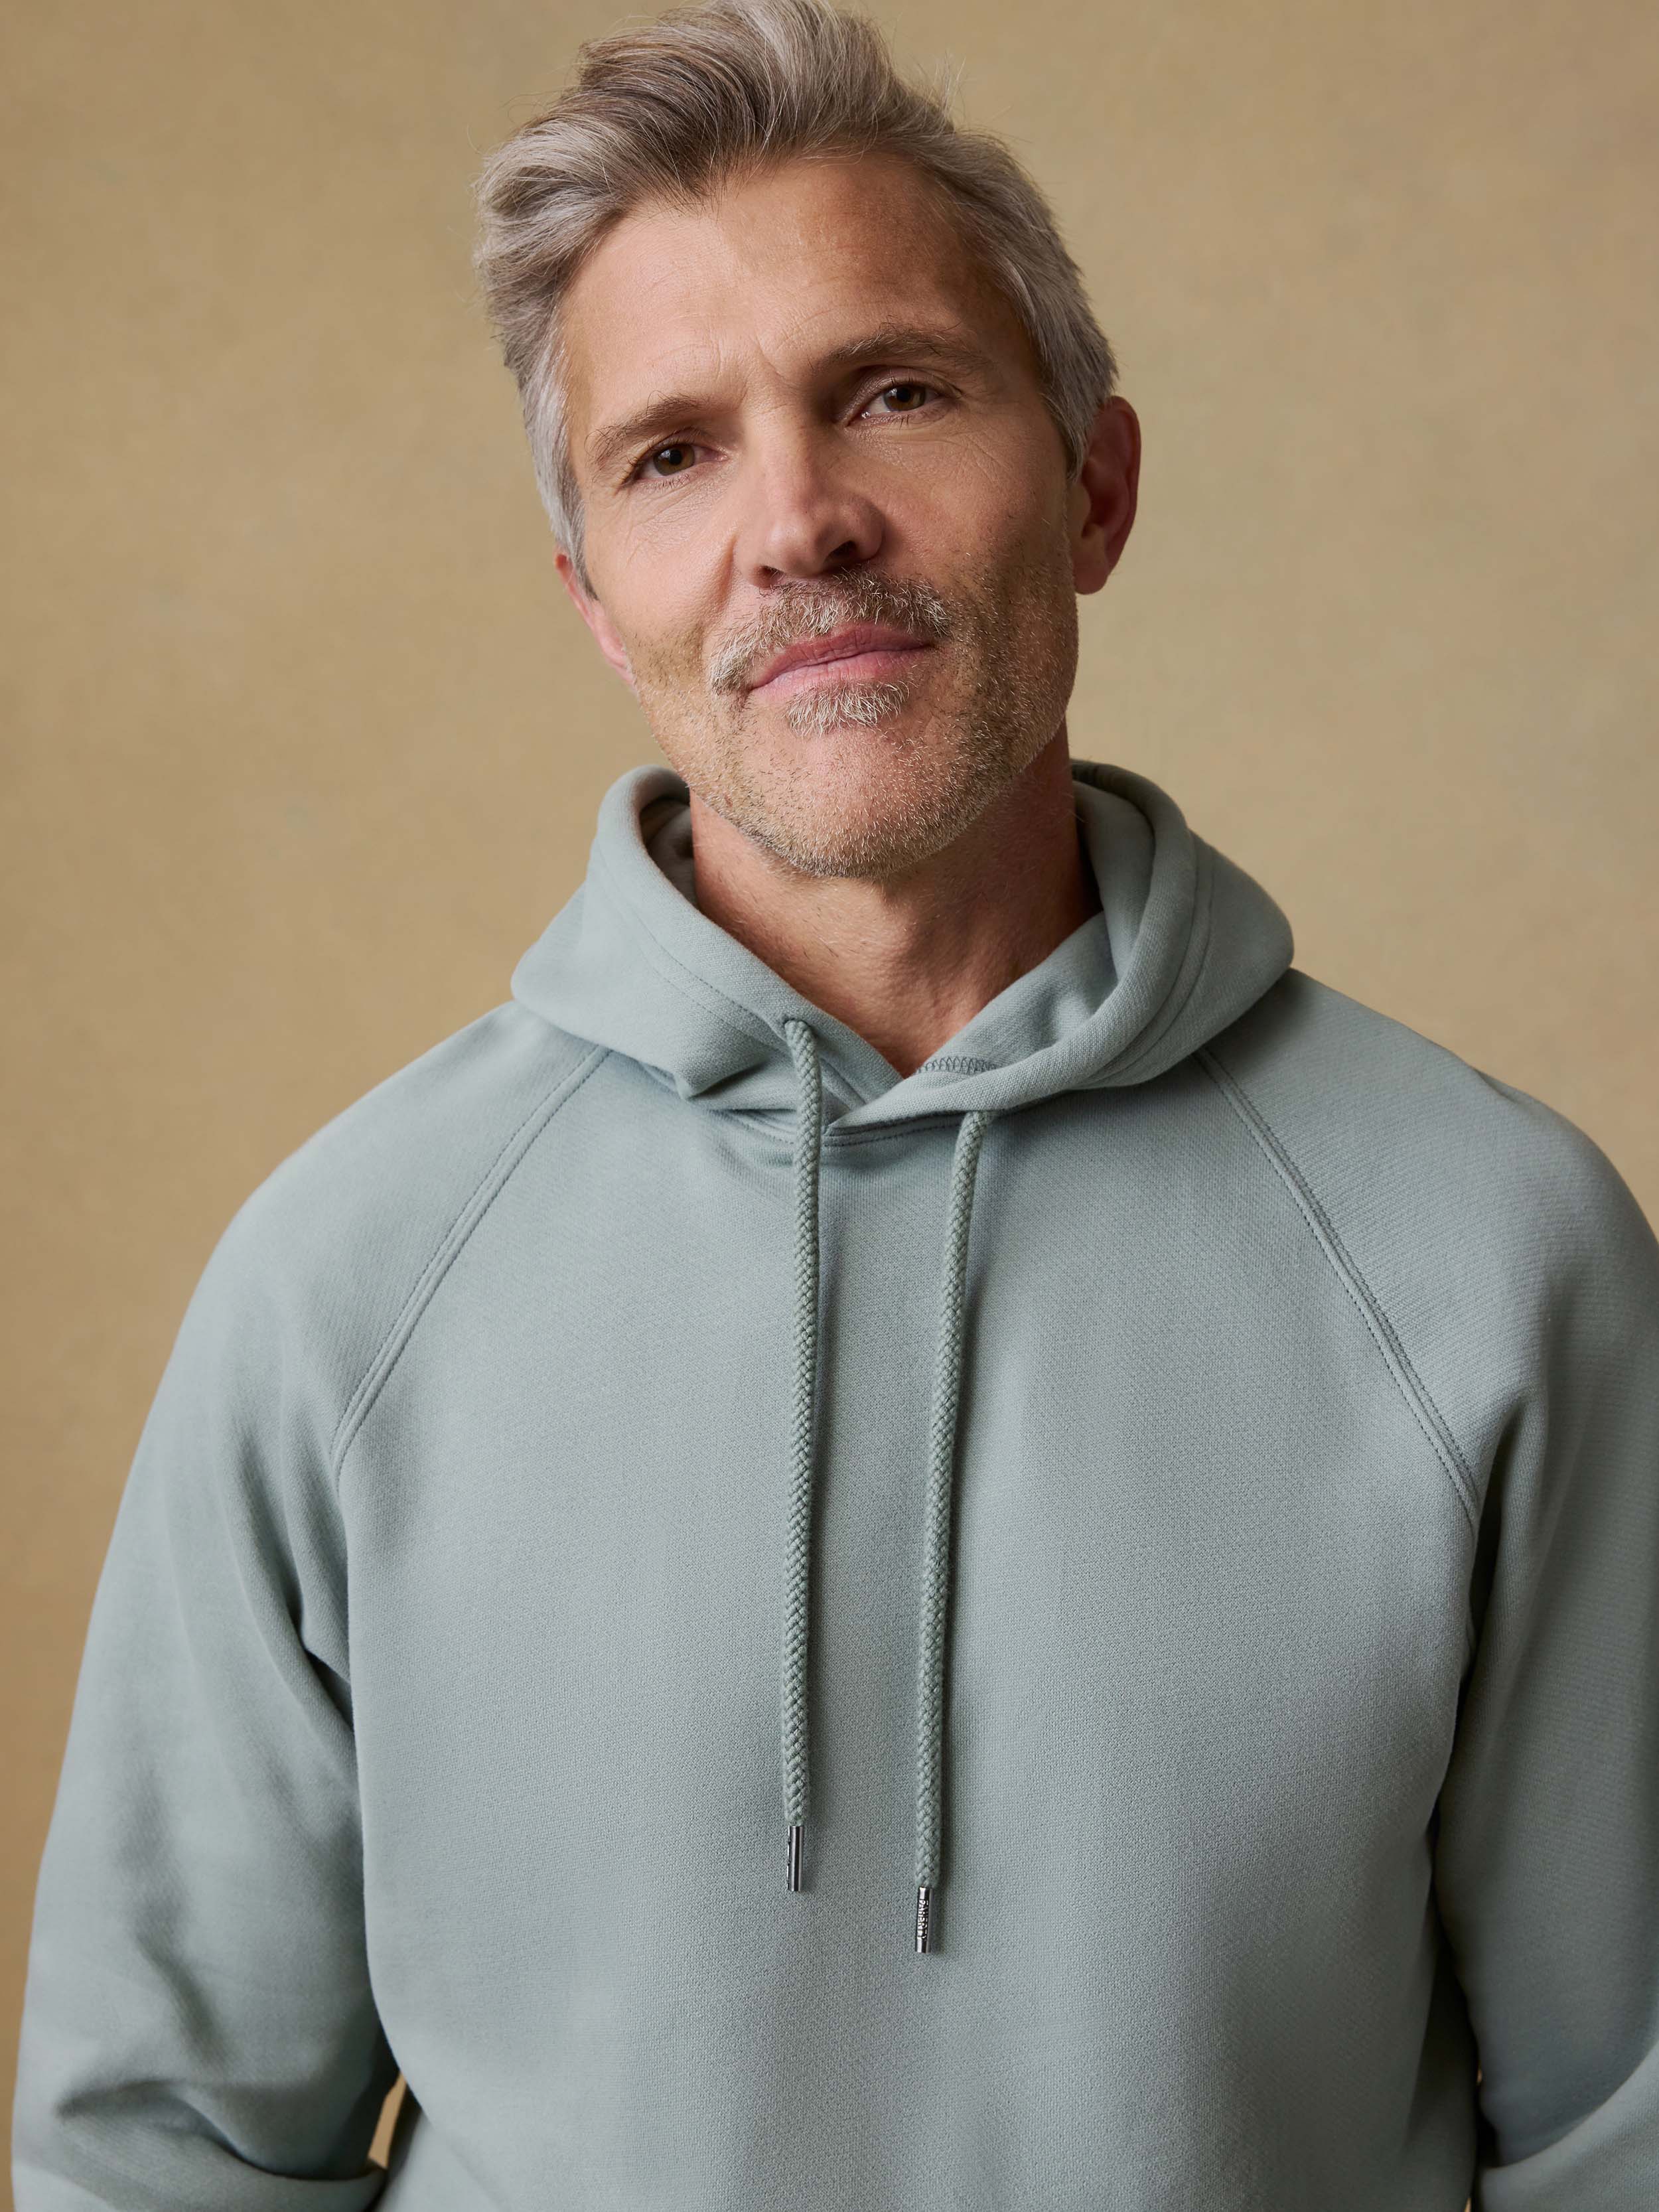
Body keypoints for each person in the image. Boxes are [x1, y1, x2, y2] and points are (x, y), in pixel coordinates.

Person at [12, 0, 1659, 2203]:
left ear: (1092, 483)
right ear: (600, 602)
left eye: (891, 390)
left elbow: (1623, 2125)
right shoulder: (346, 1285)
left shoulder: (1490, 1252)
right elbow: (163, 2149)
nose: (797, 522)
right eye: (671, 452)